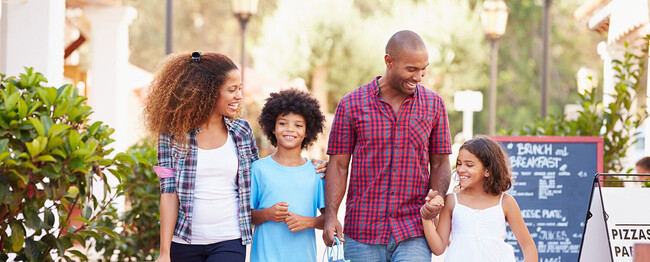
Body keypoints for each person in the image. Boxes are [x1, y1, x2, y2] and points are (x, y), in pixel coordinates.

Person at [143, 52, 326, 262]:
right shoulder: (172, 135)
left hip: (229, 240)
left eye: (240, 88)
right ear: (209, 92)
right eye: (232, 90)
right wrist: (164, 252)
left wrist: (312, 166)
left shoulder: (241, 131)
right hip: (184, 241)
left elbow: (263, 173)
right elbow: (168, 193)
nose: (239, 95)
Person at [323, 30, 452, 262]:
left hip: (413, 229)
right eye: (411, 69)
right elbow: (339, 166)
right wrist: (331, 216)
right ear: (388, 61)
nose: (419, 77)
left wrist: (437, 199)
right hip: (363, 230)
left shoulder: (434, 105)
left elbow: (441, 162)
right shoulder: (351, 104)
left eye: (423, 69)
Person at [420, 136, 538, 262]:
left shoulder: (505, 202)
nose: (460, 169)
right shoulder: (451, 201)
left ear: (487, 171)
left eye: (469, 165)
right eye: (459, 163)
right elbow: (438, 249)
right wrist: (426, 217)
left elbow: (528, 246)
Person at [250, 88, 327, 262]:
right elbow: (245, 216)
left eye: (298, 125)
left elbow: (328, 219)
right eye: (283, 123)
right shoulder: (258, 169)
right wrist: (267, 214)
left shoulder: (316, 172)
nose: (290, 130)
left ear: (307, 132)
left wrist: (309, 222)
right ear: (273, 128)